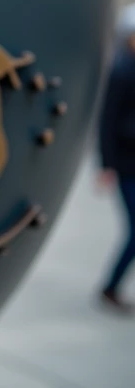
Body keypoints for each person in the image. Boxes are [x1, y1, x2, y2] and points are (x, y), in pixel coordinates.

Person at [99, 29, 135, 314]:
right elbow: (107, 121)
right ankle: (110, 287)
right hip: (126, 164)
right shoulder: (121, 71)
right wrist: (106, 164)